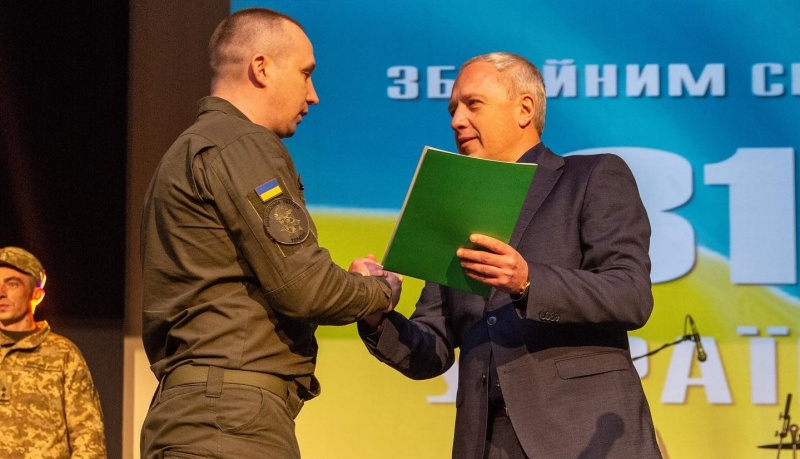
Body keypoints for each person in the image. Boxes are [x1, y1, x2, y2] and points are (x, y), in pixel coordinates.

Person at [358, 52, 662, 458]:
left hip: (580, 434)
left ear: (525, 109)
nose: (456, 120)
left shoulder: (591, 176)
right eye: (453, 109)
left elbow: (630, 294)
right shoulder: (455, 210)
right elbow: (432, 348)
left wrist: (528, 282)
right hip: (485, 442)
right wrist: (375, 312)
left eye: (473, 104)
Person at [139, 7, 401, 459]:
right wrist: (378, 291)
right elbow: (305, 288)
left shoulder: (187, 151)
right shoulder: (242, 143)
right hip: (229, 423)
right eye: (305, 74)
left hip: (200, 415)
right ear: (261, 68)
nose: (313, 95)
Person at [0, 246, 106, 458]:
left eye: (12, 284)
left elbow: (89, 439)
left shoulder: (62, 353)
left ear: (36, 294)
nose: (1, 292)